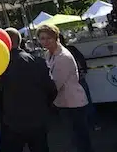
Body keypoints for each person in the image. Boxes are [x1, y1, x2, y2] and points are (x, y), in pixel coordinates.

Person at [0, 27, 57, 152]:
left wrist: (3, 118)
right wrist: (44, 108)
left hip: (12, 124)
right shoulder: (38, 62)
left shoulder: (0, 66)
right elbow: (52, 89)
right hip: (37, 120)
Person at [37, 24, 94, 152]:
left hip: (74, 103)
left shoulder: (63, 57)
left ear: (56, 38)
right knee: (75, 138)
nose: (45, 41)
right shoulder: (48, 54)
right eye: (42, 38)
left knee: (81, 139)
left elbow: (55, 84)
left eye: (48, 38)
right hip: (64, 103)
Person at [59, 34, 99, 130]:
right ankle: (93, 124)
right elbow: (81, 60)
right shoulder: (71, 49)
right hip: (78, 79)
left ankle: (81, 126)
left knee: (72, 105)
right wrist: (84, 71)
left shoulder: (57, 53)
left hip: (69, 81)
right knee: (86, 101)